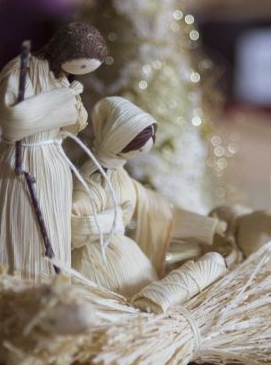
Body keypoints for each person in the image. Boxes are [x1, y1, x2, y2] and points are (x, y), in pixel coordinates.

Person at [0, 22, 107, 279]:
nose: (80, 75)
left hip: (53, 161)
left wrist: (68, 104)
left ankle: (52, 284)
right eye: (81, 67)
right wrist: (65, 99)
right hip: (24, 158)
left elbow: (77, 122)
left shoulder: (60, 75)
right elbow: (14, 121)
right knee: (23, 224)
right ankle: (16, 285)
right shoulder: (21, 71)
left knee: (52, 227)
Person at [71, 96, 222, 297]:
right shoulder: (93, 179)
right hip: (95, 259)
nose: (147, 146)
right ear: (119, 140)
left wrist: (203, 227)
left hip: (123, 250)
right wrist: (113, 221)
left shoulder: (118, 173)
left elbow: (150, 202)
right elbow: (73, 221)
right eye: (140, 143)